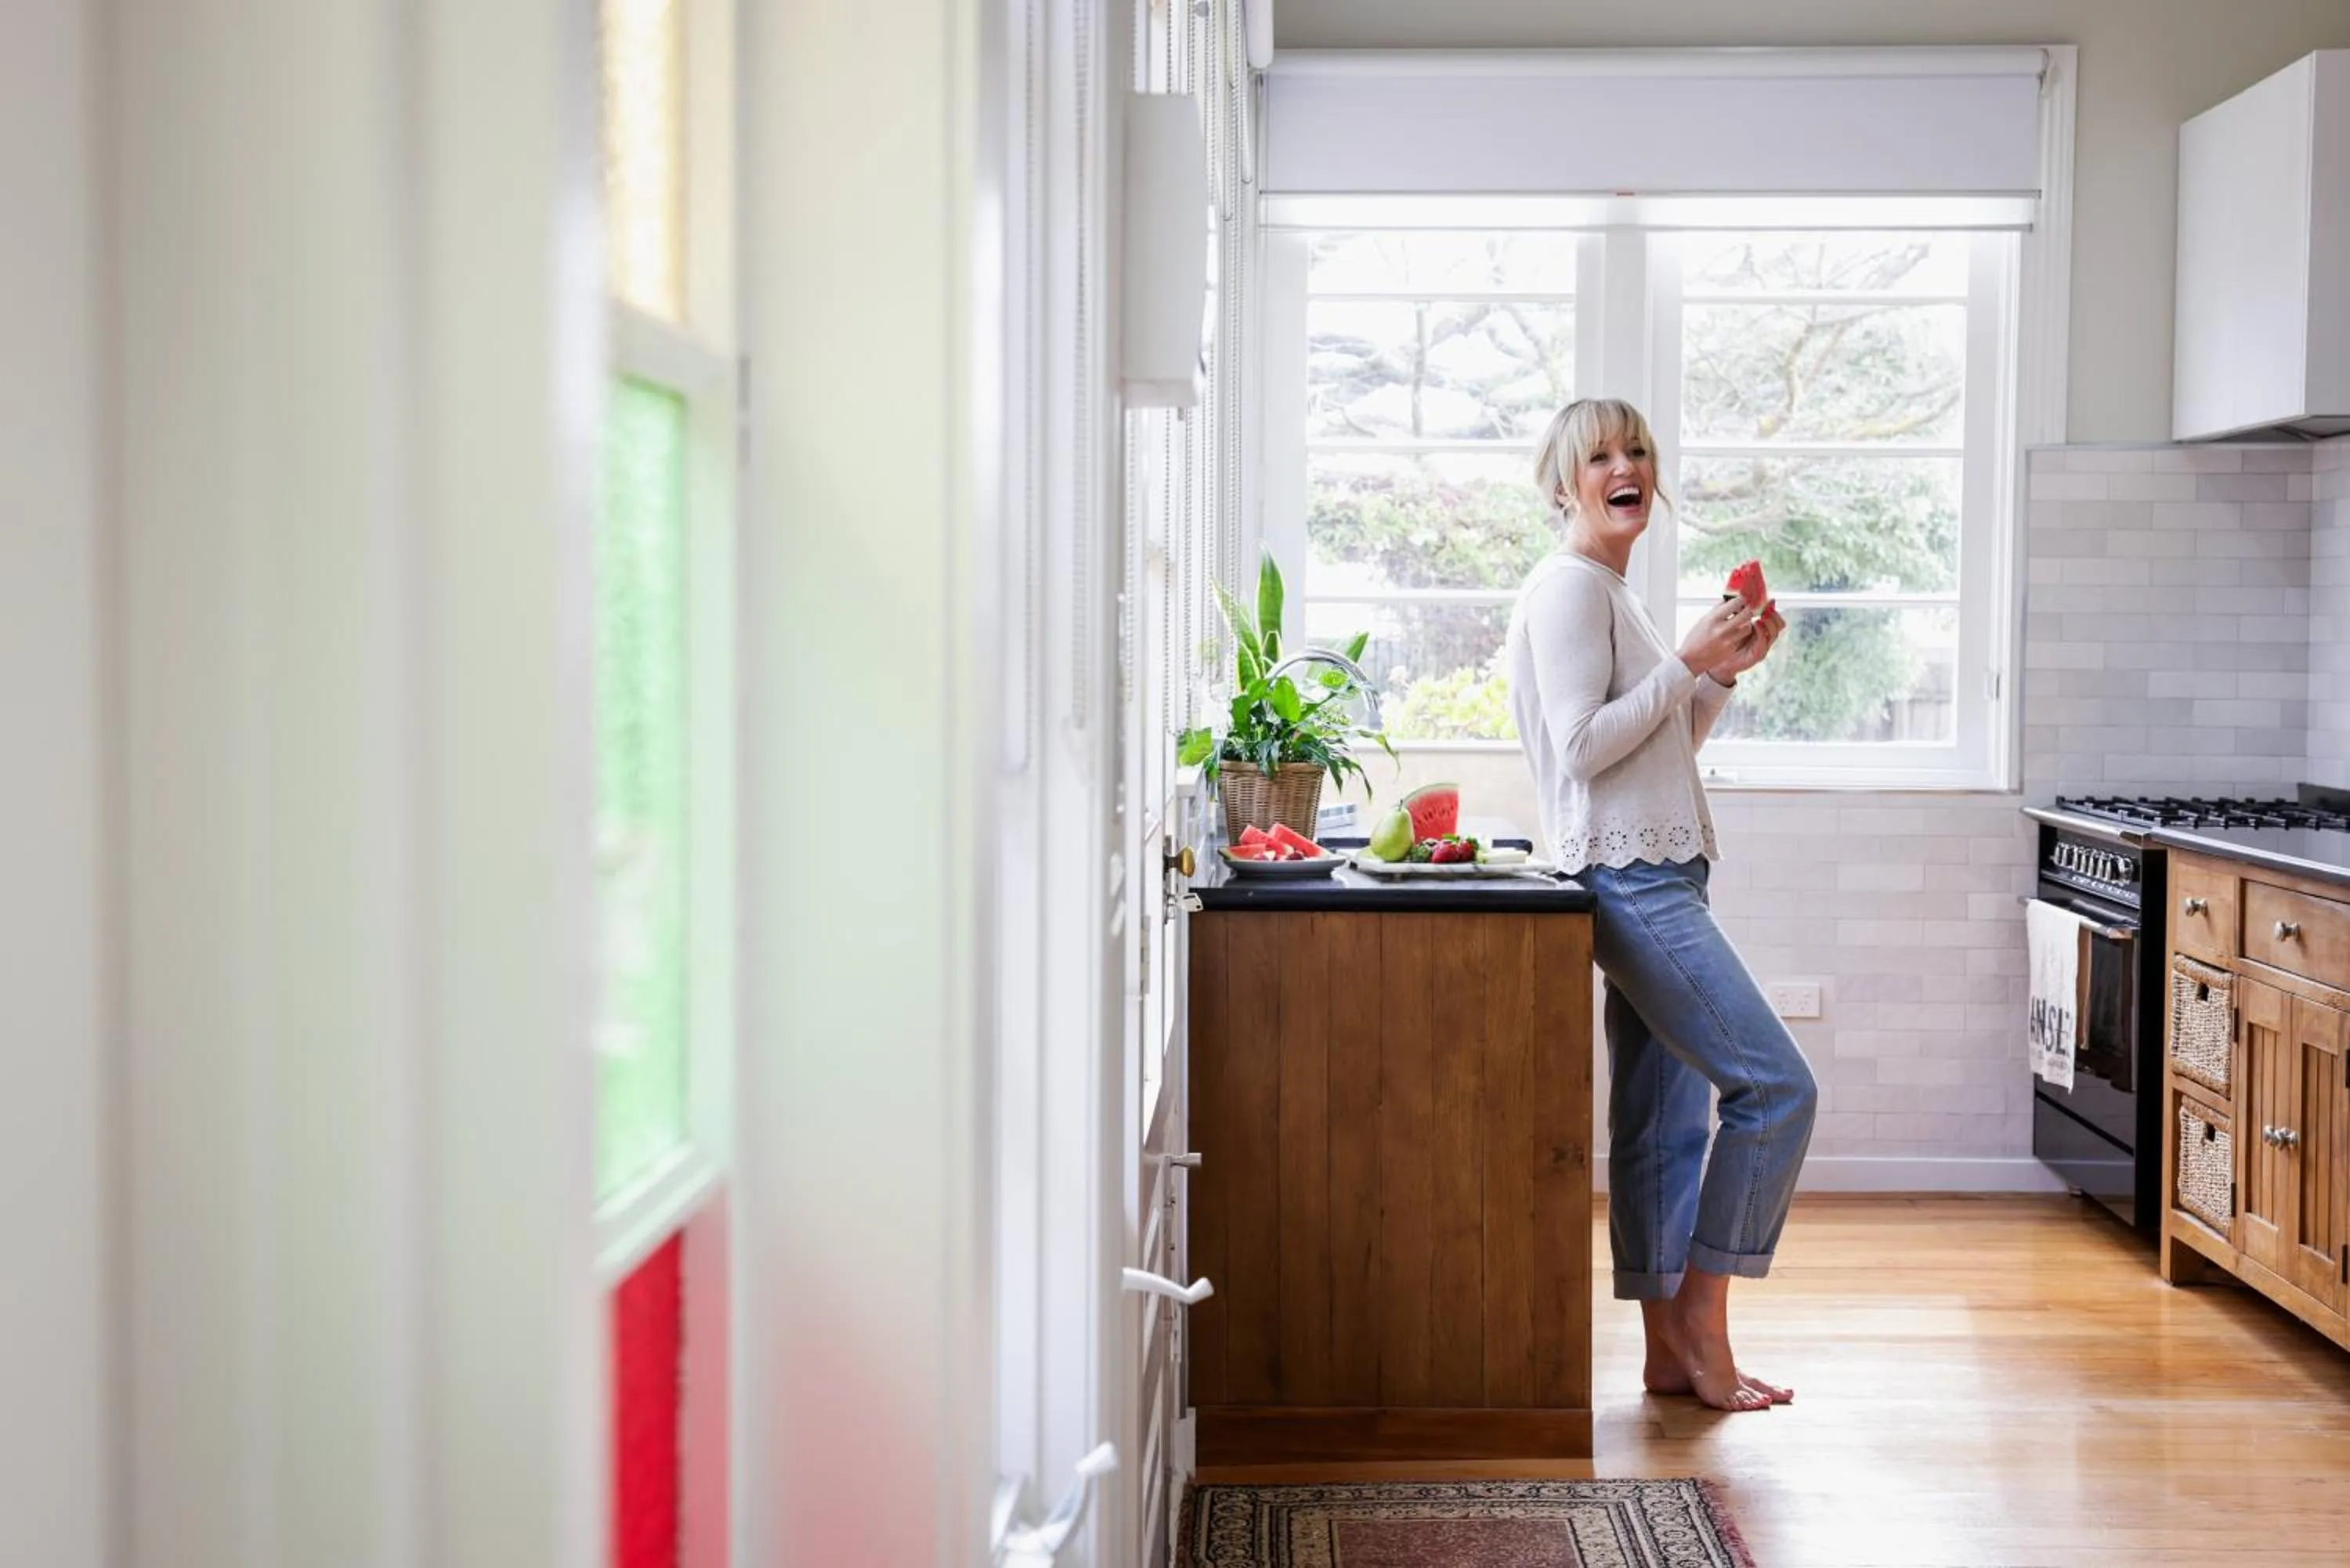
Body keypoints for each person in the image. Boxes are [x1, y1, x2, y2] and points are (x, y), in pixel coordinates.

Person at [1504, 397, 1819, 1414]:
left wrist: (1715, 675)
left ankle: (1665, 1354)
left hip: (1656, 868)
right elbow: (1581, 749)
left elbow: (1654, 747)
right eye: (1600, 455)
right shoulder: (1569, 588)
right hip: (1629, 875)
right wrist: (1685, 660)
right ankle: (1704, 1327)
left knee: (1661, 1119)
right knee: (1776, 1089)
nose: (1625, 465)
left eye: (1636, 449)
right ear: (1565, 486)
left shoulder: (1610, 590)